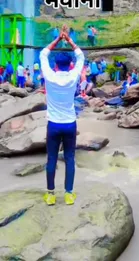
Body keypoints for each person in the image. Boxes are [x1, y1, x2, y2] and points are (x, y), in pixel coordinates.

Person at [40, 29, 84, 206]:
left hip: (53, 124)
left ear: (56, 66)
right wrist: (70, 41)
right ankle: (68, 194)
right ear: (70, 66)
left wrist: (58, 39)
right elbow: (80, 56)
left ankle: (50, 195)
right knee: (70, 158)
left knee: (51, 158)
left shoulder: (49, 76)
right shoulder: (74, 76)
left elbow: (43, 54)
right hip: (69, 124)